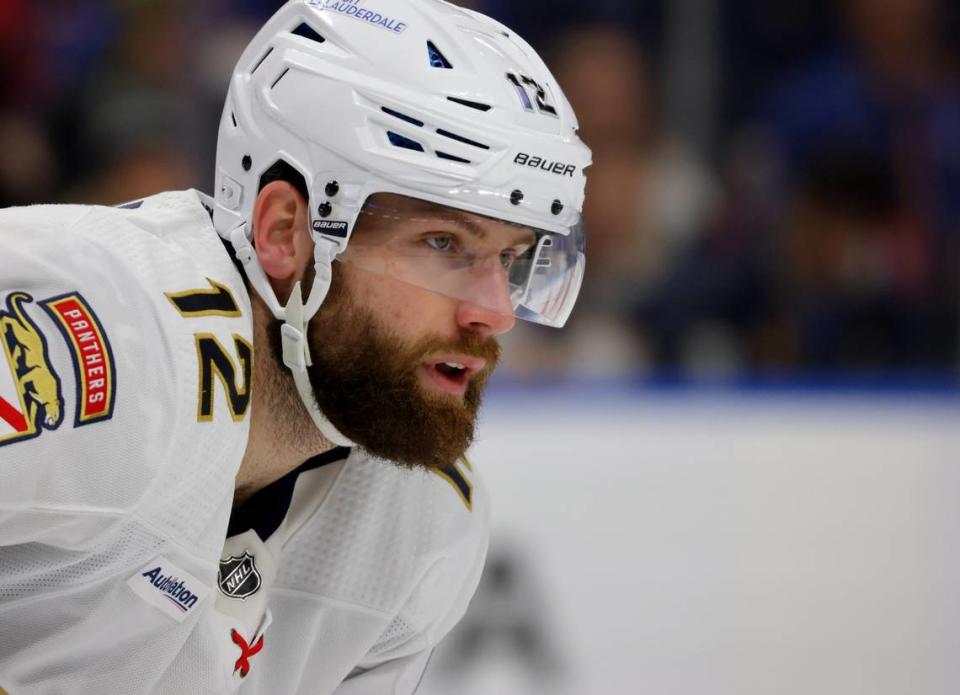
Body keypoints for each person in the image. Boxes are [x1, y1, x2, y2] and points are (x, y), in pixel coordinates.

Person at [0, 1, 591, 693]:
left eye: (513, 259)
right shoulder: (105, 342)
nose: (494, 311)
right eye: (444, 243)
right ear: (286, 232)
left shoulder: (424, 527)